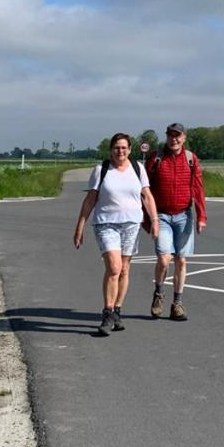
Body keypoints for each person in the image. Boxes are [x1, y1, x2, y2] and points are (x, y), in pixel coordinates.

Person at [73, 134, 158, 337]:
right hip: (106, 224)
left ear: (130, 150)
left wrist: (154, 220)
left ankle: (117, 310)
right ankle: (107, 312)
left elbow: (146, 196)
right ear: (111, 150)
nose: (120, 151)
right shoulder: (101, 170)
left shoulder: (138, 168)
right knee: (114, 268)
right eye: (116, 148)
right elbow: (90, 199)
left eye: (124, 148)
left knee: (125, 270)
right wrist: (80, 226)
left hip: (131, 224)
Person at [145, 122, 205, 321]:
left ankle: (177, 304)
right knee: (164, 259)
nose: (174, 139)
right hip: (161, 215)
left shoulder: (191, 159)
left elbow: (198, 188)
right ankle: (159, 294)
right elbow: (144, 190)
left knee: (181, 260)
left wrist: (201, 216)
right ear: (167, 137)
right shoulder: (156, 158)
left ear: (184, 137)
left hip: (184, 215)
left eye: (177, 135)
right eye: (171, 135)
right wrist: (147, 218)